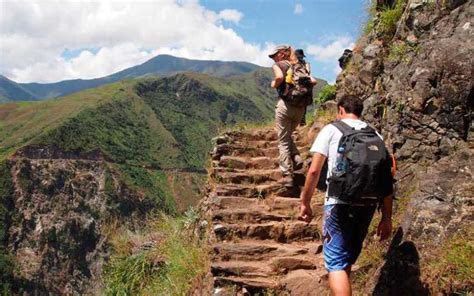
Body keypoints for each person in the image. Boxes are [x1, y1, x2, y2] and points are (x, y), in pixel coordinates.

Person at [299, 94, 393, 296]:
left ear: (340, 110)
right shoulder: (375, 134)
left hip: (338, 203)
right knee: (346, 259)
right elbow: (386, 178)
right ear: (360, 111)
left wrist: (305, 202)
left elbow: (314, 171)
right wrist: (386, 218)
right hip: (367, 204)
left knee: (335, 263)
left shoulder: (331, 130)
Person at [269, 45, 317, 187]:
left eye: (275, 55)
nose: (274, 58)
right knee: (287, 134)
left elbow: (278, 78)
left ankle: (287, 175)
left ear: (283, 53)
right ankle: (296, 157)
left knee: (283, 140)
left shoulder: (279, 65)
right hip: (300, 108)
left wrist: (274, 84)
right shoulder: (304, 65)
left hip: (285, 105)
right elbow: (313, 81)